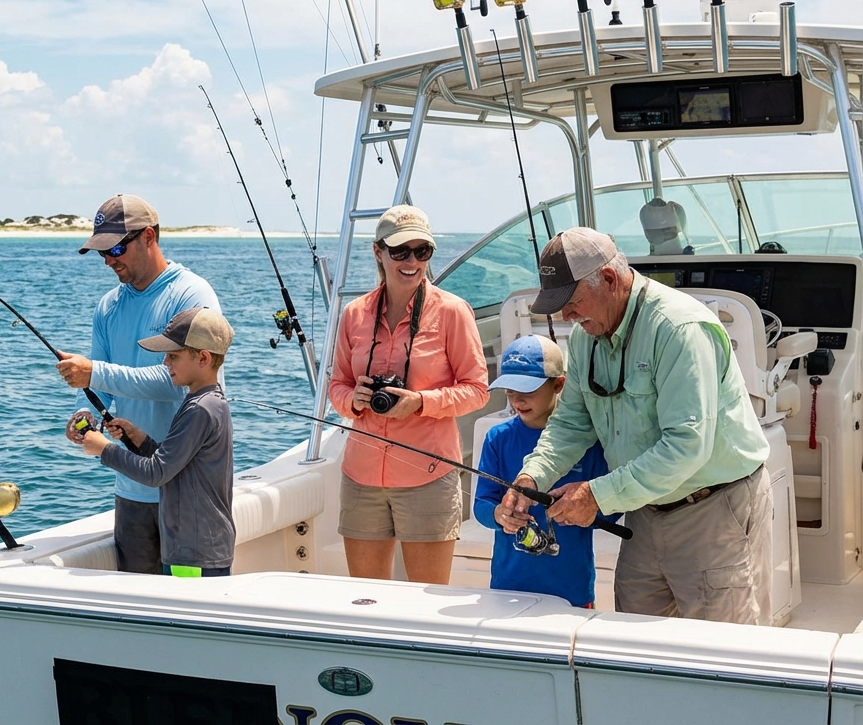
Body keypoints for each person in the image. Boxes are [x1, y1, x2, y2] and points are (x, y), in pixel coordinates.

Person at [497, 227, 773, 625]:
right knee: (634, 645)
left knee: (722, 654)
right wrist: (531, 477)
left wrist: (596, 495)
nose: (566, 316)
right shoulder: (585, 336)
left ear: (609, 280)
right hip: (642, 509)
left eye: (571, 302)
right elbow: (572, 422)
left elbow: (686, 445)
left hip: (713, 508)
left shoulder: (679, 329)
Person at [59, 193, 221, 574]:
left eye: (116, 248)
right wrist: (86, 413)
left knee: (189, 611)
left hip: (186, 495)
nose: (109, 260)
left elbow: (175, 382)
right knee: (140, 611)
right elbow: (101, 385)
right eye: (101, 252)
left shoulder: (191, 294)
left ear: (148, 237)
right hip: (130, 489)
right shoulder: (108, 306)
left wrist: (94, 373)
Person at [328, 205, 489, 584]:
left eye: (422, 251)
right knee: (364, 600)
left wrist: (421, 402)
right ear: (378, 252)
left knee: (426, 604)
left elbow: (477, 390)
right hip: (362, 477)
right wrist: (355, 398)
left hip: (427, 478)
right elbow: (336, 386)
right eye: (400, 251)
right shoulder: (353, 314)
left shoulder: (452, 312)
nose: (411, 261)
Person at [81, 307, 236, 578]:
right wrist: (138, 439)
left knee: (187, 620)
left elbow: (157, 473)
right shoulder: (206, 402)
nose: (165, 363)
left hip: (193, 555)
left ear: (203, 357)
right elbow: (174, 463)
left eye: (173, 356)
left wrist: (104, 449)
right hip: (201, 548)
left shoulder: (199, 409)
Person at [474, 335, 614, 608]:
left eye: (527, 391)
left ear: (559, 384)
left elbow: (610, 508)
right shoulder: (497, 438)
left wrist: (585, 508)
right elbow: (482, 504)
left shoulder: (590, 440)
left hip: (571, 589)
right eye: (510, 392)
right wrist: (498, 514)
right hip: (507, 584)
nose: (517, 400)